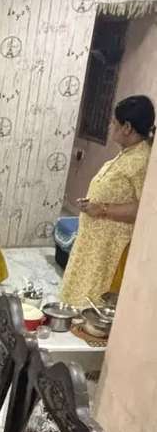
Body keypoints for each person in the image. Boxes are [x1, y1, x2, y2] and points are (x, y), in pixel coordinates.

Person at [60, 95, 154, 308]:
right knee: (76, 297)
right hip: (93, 243)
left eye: (114, 122)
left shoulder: (142, 160)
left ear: (127, 127)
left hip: (108, 249)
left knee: (90, 301)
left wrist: (102, 208)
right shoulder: (128, 154)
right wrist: (92, 204)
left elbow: (144, 209)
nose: (110, 126)